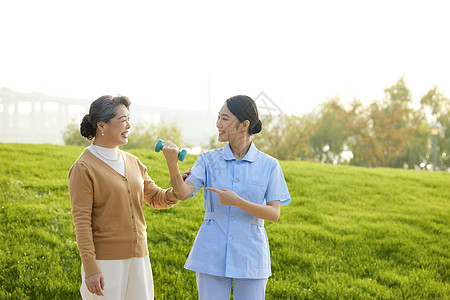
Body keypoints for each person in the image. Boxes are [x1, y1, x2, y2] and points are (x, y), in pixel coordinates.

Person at [162, 95, 291, 300]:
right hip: (211, 252)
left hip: (251, 256)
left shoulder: (269, 165)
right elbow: (183, 193)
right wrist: (172, 165)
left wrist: (238, 202)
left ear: (244, 124)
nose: (218, 124)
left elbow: (274, 213)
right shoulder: (208, 159)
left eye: (224, 118)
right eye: (218, 117)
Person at [68, 95, 182, 299]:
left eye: (129, 119)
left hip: (139, 258)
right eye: (123, 120)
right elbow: (82, 222)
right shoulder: (83, 167)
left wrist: (178, 184)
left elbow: (156, 198)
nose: (129, 125)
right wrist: (91, 268)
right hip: (105, 263)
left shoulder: (133, 161)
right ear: (102, 125)